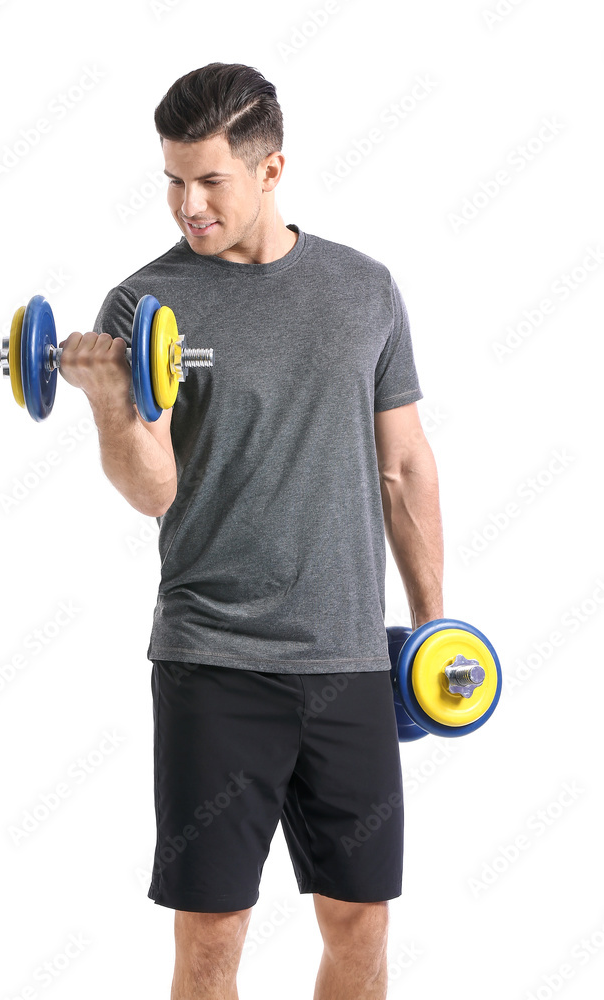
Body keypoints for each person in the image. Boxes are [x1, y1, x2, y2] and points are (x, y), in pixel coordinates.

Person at [57, 61, 443, 1000]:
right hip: (214, 657)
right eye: (172, 180)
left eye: (209, 180)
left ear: (270, 172)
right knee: (213, 936)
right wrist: (113, 401)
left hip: (348, 659)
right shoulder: (143, 306)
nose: (186, 204)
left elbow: (404, 466)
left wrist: (432, 626)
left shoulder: (364, 289)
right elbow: (154, 491)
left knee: (360, 921)